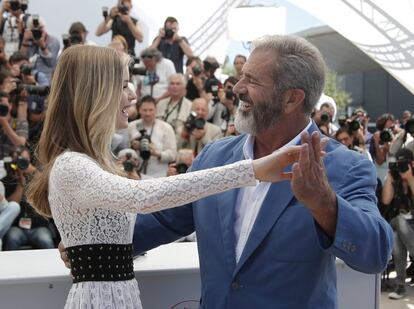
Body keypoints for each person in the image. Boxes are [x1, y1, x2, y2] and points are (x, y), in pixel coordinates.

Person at [29, 44, 304, 309]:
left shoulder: (89, 164)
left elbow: (132, 220)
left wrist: (88, 247)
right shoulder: (72, 166)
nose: (133, 95)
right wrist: (252, 170)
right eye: (124, 85)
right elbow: (144, 197)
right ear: (95, 93)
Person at [129, 35, 393, 308]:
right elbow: (160, 222)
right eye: (242, 77)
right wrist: (89, 243)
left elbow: (376, 254)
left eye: (252, 81)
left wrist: (324, 204)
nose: (238, 88)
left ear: (291, 99)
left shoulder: (344, 166)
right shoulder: (214, 157)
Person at [382, 148, 414, 299]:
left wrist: (410, 179)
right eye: (399, 164)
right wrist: (390, 177)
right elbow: (386, 201)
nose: (401, 168)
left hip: (409, 228)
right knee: (400, 222)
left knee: (397, 238)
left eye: (404, 164)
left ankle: (400, 286)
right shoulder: (394, 179)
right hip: (395, 221)